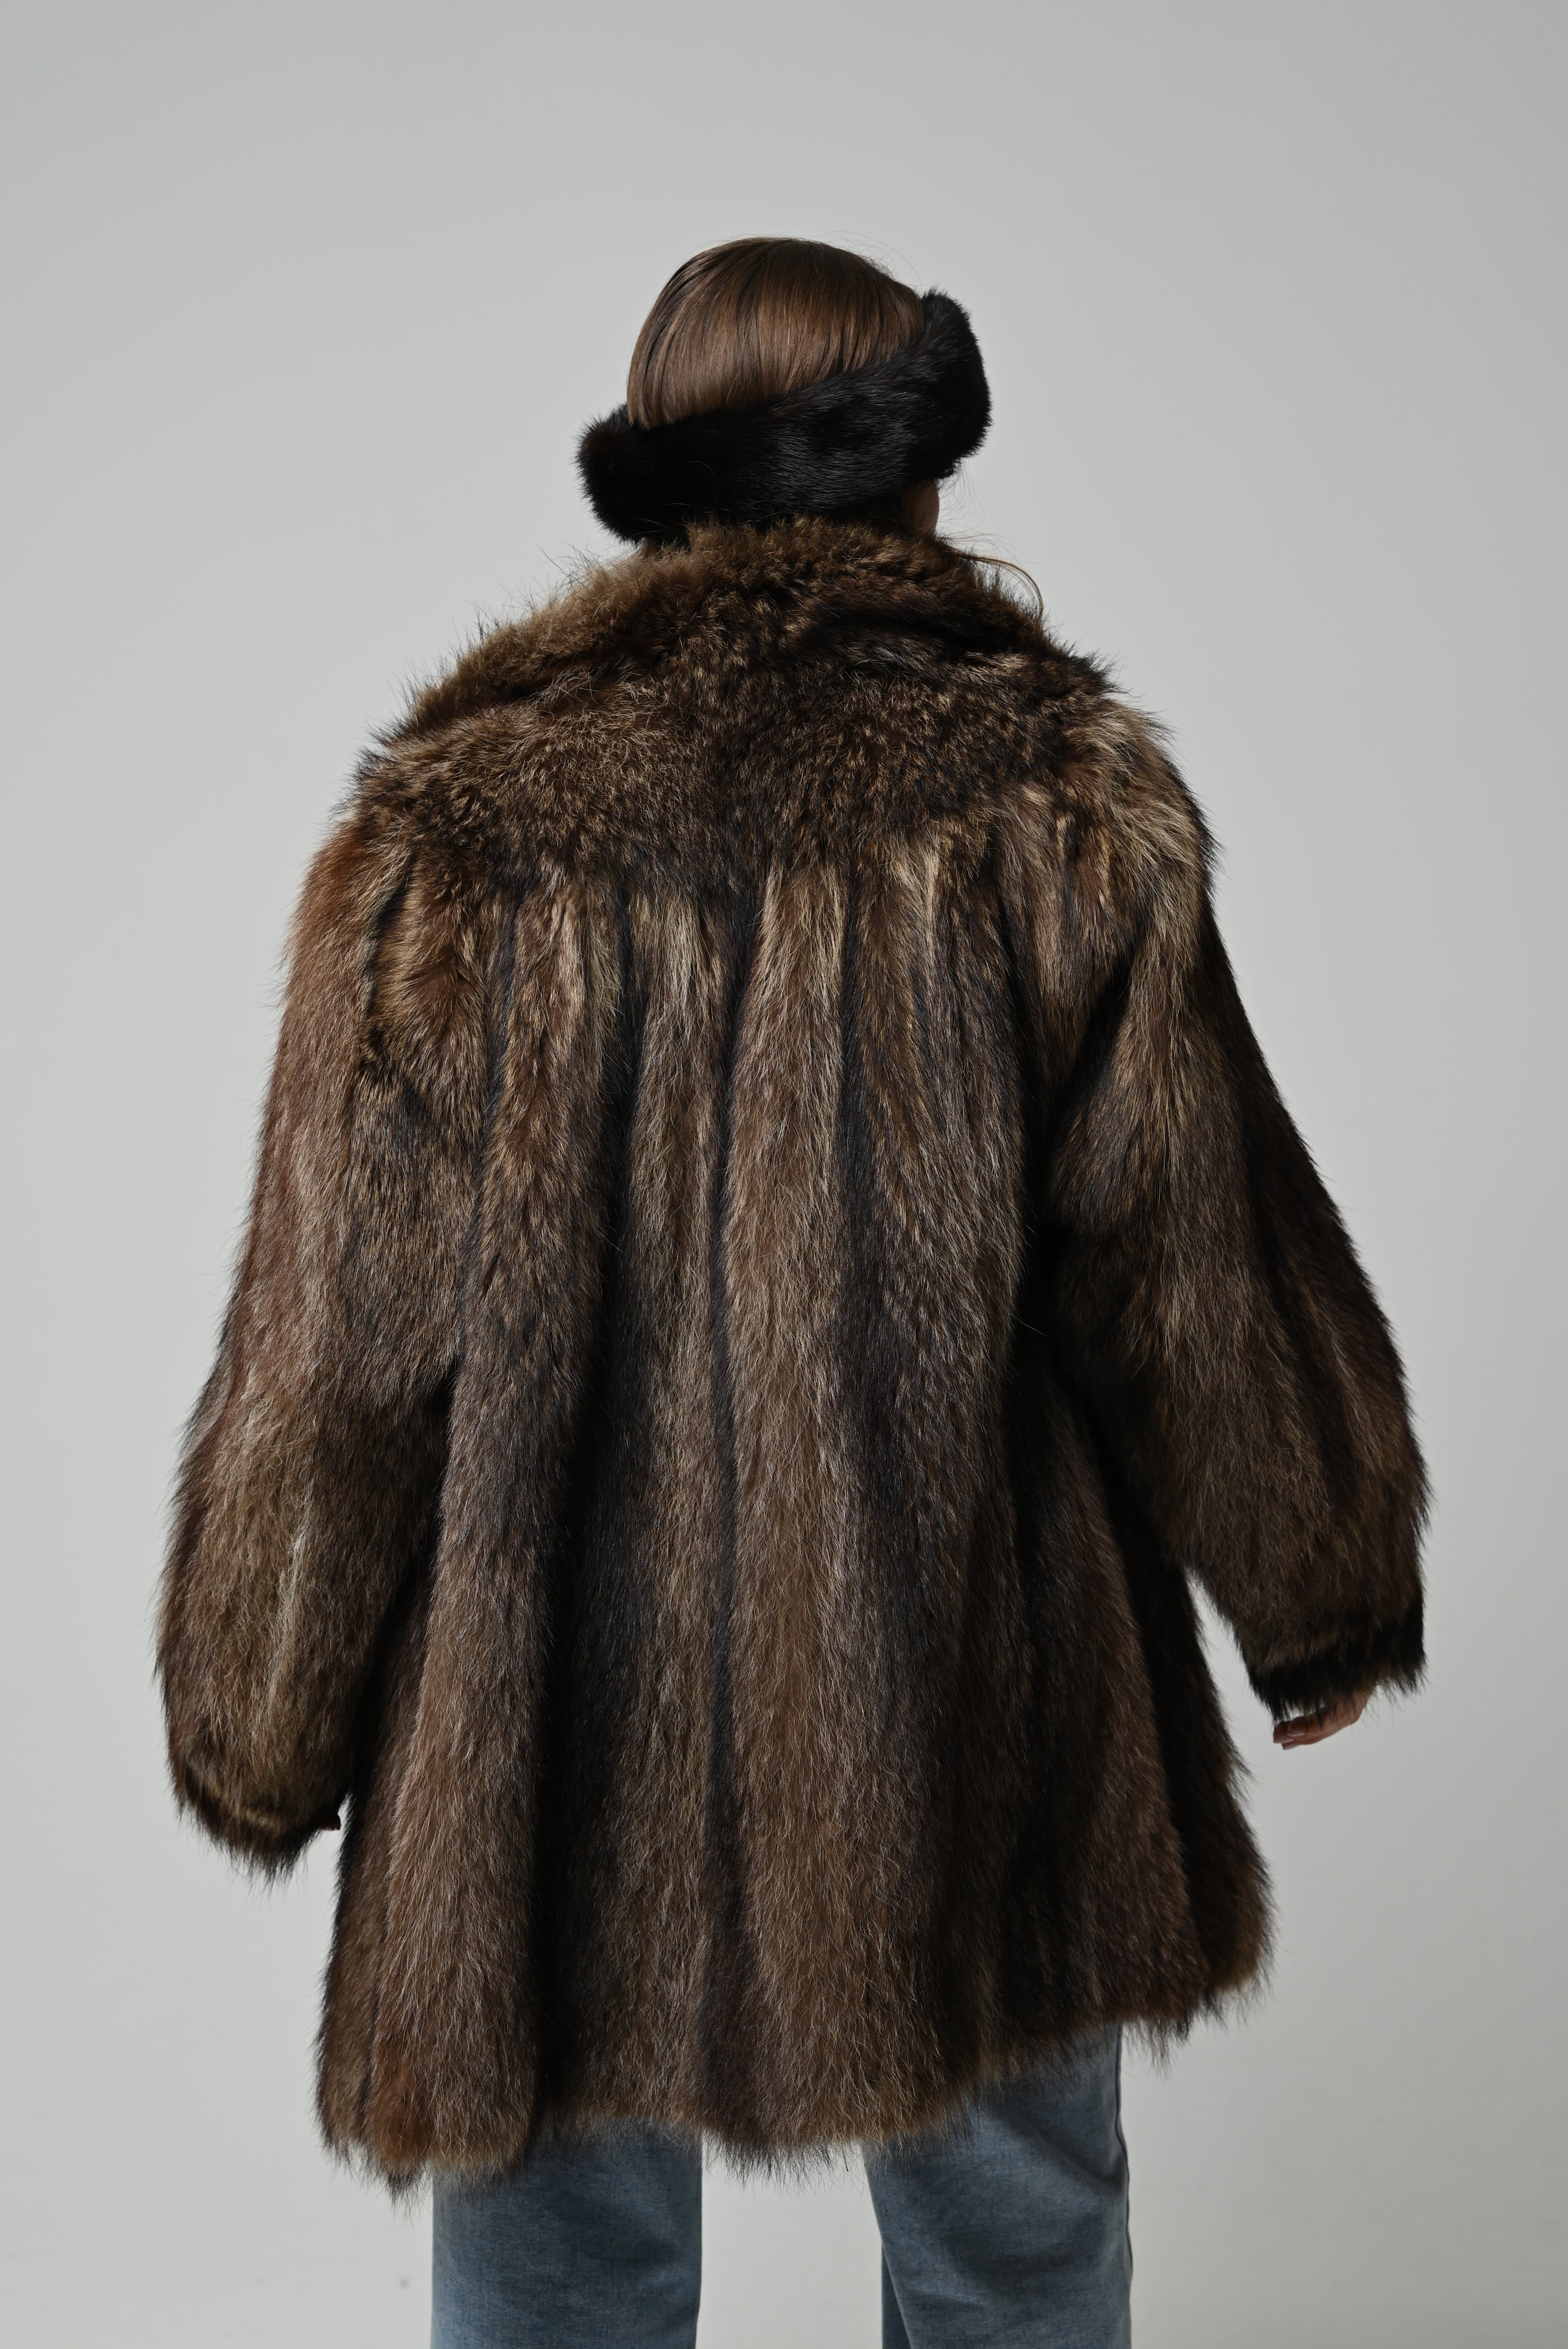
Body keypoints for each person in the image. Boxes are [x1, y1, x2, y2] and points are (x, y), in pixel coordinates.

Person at [157, 239, 1427, 2347]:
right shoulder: (1055, 800)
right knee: (1014, 2249)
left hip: (549, 1710)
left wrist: (261, 1715)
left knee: (556, 2272)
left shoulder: (454, 835)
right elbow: (1186, 1247)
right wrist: (1319, 1580)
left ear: (660, 472)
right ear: (918, 473)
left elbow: (339, 1347)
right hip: (968, 1678)